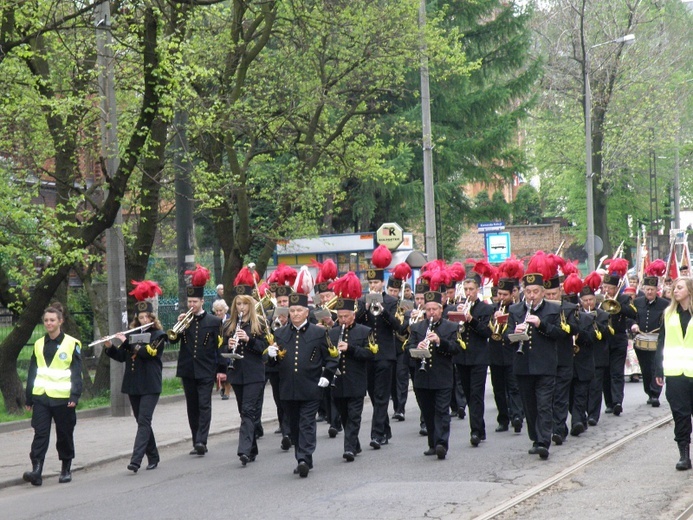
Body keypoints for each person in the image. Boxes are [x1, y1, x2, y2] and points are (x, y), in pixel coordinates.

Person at [265, 290, 339, 477]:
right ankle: (303, 457)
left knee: (307, 423)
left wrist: (327, 375)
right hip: (288, 388)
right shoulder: (280, 333)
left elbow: (332, 357)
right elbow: (273, 362)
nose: (295, 314)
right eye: (292, 310)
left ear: (307, 312)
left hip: (311, 387)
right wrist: (271, 356)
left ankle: (304, 458)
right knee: (295, 425)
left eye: (299, 310)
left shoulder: (319, 333)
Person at [104, 280, 167, 473]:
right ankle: (154, 456)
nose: (143, 321)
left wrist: (126, 344)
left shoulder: (159, 335)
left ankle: (136, 460)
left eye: (146, 317)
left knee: (144, 421)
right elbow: (123, 357)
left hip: (150, 385)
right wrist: (110, 347)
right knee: (142, 422)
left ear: (152, 317)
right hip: (133, 384)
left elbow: (147, 353)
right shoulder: (132, 336)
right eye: (140, 317)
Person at [506, 266, 562, 460]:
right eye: (528, 292)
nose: (532, 296)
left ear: (543, 292)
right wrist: (516, 333)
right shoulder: (515, 310)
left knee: (544, 404)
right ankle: (535, 438)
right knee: (529, 406)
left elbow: (559, 334)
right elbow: (506, 337)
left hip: (545, 365)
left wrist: (541, 324)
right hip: (523, 365)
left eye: (535, 292)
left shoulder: (553, 308)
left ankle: (544, 441)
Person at [23, 304, 82, 486]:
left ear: (60, 321)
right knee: (40, 434)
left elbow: (76, 372)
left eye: (52, 320)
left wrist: (74, 396)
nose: (49, 323)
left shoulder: (72, 343)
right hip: (41, 397)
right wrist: (29, 397)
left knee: (64, 434)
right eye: (46, 320)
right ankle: (37, 470)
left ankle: (65, 468)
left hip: (63, 398)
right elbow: (33, 371)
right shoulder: (39, 343)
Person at [171, 265, 225, 456]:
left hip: (206, 369)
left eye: (195, 301)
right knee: (192, 406)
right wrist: (178, 326)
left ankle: (202, 440)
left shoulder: (214, 322)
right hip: (187, 369)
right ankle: (196, 441)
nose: (191, 304)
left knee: (204, 404)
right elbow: (172, 340)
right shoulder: (184, 320)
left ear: (202, 301)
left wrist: (221, 369)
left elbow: (220, 347)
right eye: (189, 301)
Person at [355, 245, 400, 449]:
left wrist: (382, 311)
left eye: (376, 282)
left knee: (382, 395)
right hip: (368, 355)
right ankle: (386, 429)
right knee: (374, 395)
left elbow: (397, 326)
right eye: (370, 282)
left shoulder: (391, 301)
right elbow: (355, 323)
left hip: (385, 354)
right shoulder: (361, 301)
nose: (373, 286)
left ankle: (376, 434)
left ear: (382, 283)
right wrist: (364, 309)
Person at [407, 290, 461, 459]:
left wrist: (439, 341)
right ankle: (432, 443)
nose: (431, 313)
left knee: (442, 411)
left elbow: (456, 349)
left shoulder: (451, 327)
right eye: (428, 309)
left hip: (443, 376)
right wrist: (418, 349)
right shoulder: (417, 327)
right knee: (428, 412)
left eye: (434, 309)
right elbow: (408, 349)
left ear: (441, 309)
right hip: (422, 378)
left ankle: (441, 444)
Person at [328, 272, 374, 461]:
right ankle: (354, 443)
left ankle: (348, 449)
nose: (343, 320)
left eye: (346, 316)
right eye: (340, 317)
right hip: (338, 382)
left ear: (353, 316)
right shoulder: (332, 332)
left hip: (356, 381)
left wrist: (351, 348)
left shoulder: (365, 331)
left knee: (354, 416)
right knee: (345, 416)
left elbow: (370, 353)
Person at [222, 290, 268, 466]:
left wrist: (248, 340)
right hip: (237, 373)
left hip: (255, 373)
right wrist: (229, 345)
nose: (242, 307)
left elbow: (264, 349)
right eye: (238, 304)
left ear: (251, 305)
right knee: (244, 411)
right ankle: (252, 449)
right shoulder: (228, 325)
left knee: (249, 410)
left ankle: (244, 450)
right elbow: (221, 352)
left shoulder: (260, 324)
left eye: (245, 304)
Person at [655, 276, 693, 470]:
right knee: (680, 415)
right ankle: (684, 455)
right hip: (675, 373)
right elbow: (661, 342)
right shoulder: (668, 314)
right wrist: (658, 369)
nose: (675, 291)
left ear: (689, 290)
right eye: (674, 288)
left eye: (679, 287)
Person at [453, 272, 494, 447]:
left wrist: (470, 319)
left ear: (478, 290)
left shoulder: (485, 309)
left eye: (471, 289)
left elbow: (487, 332)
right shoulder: (459, 306)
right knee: (468, 395)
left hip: (478, 358)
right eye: (466, 289)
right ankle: (480, 427)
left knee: (476, 395)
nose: (468, 292)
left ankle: (475, 431)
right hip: (462, 358)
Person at [489, 278, 523, 434]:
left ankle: (517, 417)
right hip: (495, 355)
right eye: (499, 294)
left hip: (511, 354)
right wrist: (493, 320)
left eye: (504, 294)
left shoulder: (517, 310)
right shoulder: (492, 309)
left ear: (511, 294)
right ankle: (503, 418)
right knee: (498, 390)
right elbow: (487, 330)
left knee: (514, 388)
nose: (501, 297)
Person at [632, 266, 669, 408]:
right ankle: (649, 391)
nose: (649, 292)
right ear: (644, 289)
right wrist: (634, 325)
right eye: (647, 289)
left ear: (656, 290)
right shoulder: (637, 302)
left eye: (652, 290)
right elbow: (631, 317)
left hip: (657, 340)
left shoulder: (665, 304)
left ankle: (655, 393)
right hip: (641, 342)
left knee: (656, 366)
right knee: (646, 368)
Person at [212, 299, 231, 400]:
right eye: (217, 311)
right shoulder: (213, 320)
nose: (218, 313)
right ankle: (223, 387)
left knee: (227, 369)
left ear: (225, 310)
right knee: (217, 369)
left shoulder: (229, 320)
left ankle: (227, 390)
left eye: (221, 310)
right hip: (216, 349)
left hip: (227, 348)